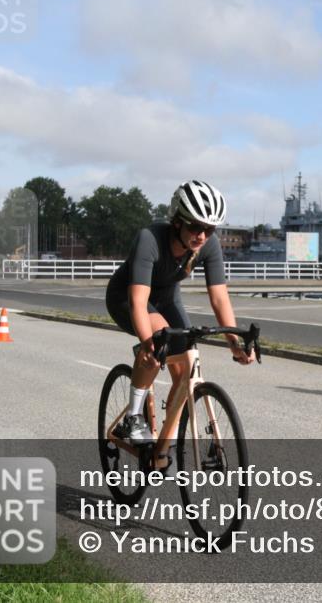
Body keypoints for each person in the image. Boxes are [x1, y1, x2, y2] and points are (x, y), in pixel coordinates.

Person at [105, 180, 254, 458]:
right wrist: (147, 343)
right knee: (159, 337)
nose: (202, 235)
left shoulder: (208, 247)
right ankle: (133, 416)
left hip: (167, 299)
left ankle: (165, 443)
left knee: (186, 363)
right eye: (195, 227)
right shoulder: (150, 238)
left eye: (209, 229)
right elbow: (138, 301)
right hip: (127, 298)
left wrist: (234, 340)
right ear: (177, 222)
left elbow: (219, 298)